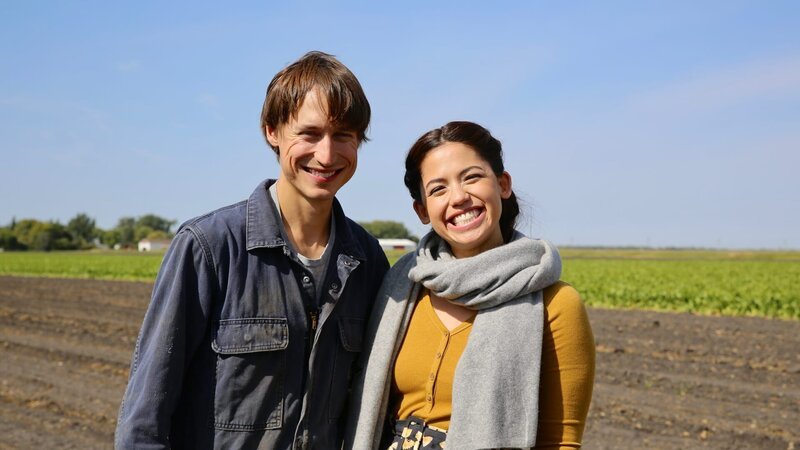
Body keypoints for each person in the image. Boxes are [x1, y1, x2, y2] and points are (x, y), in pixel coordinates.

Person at [115, 51, 389, 449]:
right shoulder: (209, 248)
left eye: (343, 135)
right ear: (272, 132)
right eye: (309, 134)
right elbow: (144, 419)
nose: (327, 155)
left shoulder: (367, 261)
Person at [345, 121, 595, 449]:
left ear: (503, 185)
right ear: (422, 210)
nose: (459, 197)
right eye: (438, 189)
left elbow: (560, 442)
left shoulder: (555, 302)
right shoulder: (401, 288)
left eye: (472, 177)